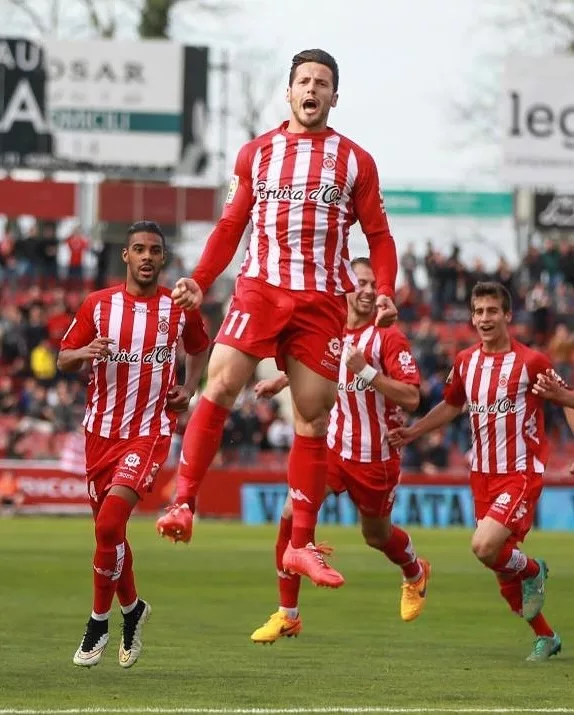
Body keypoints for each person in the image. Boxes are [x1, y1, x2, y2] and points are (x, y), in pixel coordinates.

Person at [156, 48, 398, 589]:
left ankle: (301, 546)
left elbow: (379, 237)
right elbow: (230, 225)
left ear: (335, 96)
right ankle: (183, 502)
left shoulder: (356, 161)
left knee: (312, 417)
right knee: (219, 382)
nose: (312, 89)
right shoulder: (256, 155)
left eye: (323, 83)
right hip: (260, 289)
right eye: (304, 81)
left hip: (320, 302)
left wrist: (383, 290)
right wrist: (200, 275)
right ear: (288, 92)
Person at [249, 257, 429, 644]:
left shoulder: (388, 338)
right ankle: (288, 615)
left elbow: (413, 396)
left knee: (376, 536)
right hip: (331, 451)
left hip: (375, 459)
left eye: (371, 284)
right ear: (345, 287)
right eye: (359, 283)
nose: (365, 290)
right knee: (290, 512)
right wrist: (282, 381)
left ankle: (415, 570)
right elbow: (319, 366)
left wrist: (368, 371)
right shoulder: (329, 329)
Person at [57, 220, 210, 668]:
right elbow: (64, 356)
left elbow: (201, 347)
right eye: (138, 249)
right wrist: (85, 354)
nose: (146, 257)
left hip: (148, 433)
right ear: (125, 256)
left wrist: (191, 384)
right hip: (99, 433)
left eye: (154, 250)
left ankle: (97, 622)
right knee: (112, 535)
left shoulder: (179, 308)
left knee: (107, 528)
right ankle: (133, 608)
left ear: (163, 259)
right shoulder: (98, 306)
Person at [389, 281, 561, 662]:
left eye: (492, 311)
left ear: (507, 316)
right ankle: (545, 637)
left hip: (519, 472)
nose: (485, 318)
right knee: (497, 566)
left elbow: (565, 397)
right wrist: (414, 431)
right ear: (472, 316)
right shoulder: (466, 362)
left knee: (483, 545)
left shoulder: (531, 362)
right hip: (481, 475)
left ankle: (534, 570)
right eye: (479, 311)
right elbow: (451, 406)